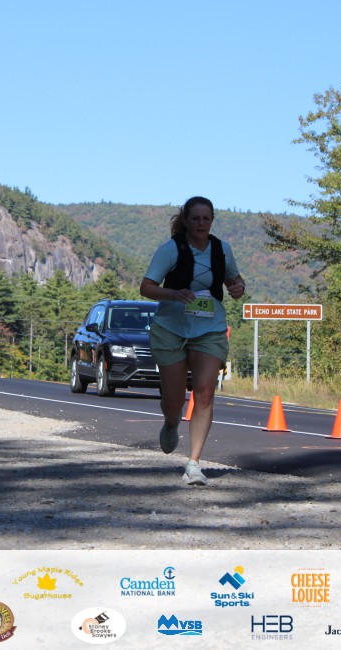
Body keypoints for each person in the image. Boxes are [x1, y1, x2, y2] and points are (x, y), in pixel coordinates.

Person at [140, 196, 246, 485]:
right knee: (174, 400)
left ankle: (194, 464)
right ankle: (171, 421)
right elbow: (146, 287)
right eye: (195, 218)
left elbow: (235, 280)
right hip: (171, 328)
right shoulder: (170, 249)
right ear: (186, 221)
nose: (201, 223)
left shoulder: (222, 250)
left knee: (205, 392)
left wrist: (238, 287)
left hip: (210, 328)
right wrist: (173, 294)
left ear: (212, 221)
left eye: (206, 218)